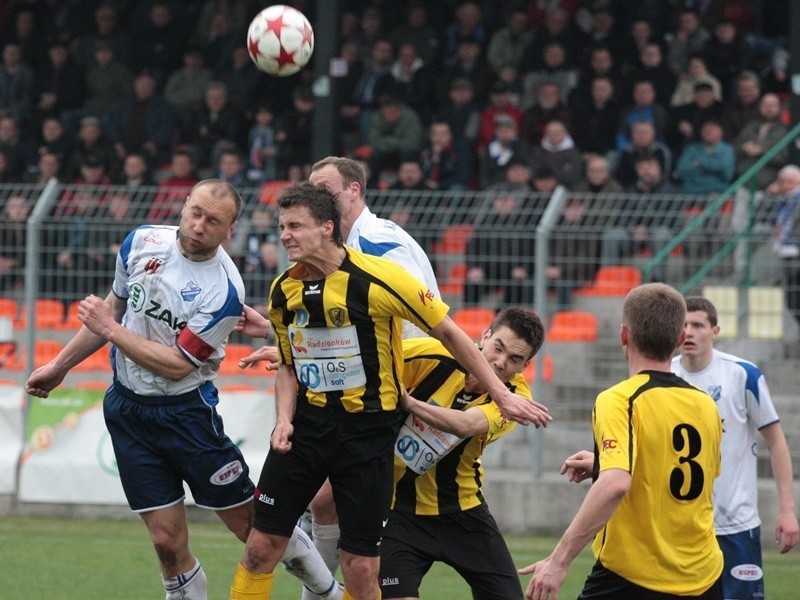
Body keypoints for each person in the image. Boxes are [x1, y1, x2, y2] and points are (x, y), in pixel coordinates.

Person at [229, 183, 551, 599]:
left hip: (367, 438)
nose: (284, 235)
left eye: (295, 226)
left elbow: (448, 331)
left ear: (327, 228)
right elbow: (293, 364)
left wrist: (500, 394)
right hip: (307, 429)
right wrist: (284, 420)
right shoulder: (282, 290)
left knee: (361, 569)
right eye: (282, 226)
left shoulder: (384, 278)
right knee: (260, 547)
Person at [25, 179, 342, 600]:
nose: (198, 226)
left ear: (229, 231)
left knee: (253, 528)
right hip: (127, 410)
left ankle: (328, 594)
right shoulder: (139, 242)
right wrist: (59, 365)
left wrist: (110, 329)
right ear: (183, 205)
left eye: (213, 221)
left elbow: (176, 365)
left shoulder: (223, 291)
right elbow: (115, 306)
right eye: (195, 212)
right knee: (165, 544)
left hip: (186, 415)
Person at [520, 283, 724, 599]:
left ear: (624, 335)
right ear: (680, 340)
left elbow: (615, 484)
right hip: (703, 576)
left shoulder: (619, 400)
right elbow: (682, 469)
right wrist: (604, 461)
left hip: (635, 575)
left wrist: (558, 561)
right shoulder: (705, 404)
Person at [380, 307, 545, 600]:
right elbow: (371, 361)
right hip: (399, 509)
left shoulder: (517, 399)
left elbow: (468, 425)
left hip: (463, 512)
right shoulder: (432, 354)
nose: (500, 362)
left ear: (526, 365)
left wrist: (409, 403)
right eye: (498, 348)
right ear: (485, 336)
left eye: (514, 359)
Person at [671, 296, 799, 600]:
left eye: (698, 325)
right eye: (684, 325)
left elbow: (776, 440)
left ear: (715, 331)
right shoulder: (665, 375)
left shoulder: (743, 375)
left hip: (735, 524)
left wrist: (787, 510)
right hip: (680, 525)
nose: (689, 332)